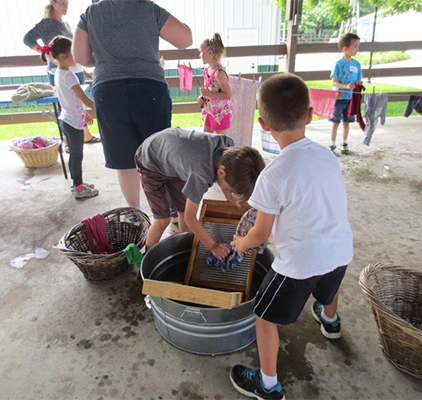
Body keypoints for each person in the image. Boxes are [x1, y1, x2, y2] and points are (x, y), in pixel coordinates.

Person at [229, 73, 353, 399]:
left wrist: (240, 243)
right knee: (329, 286)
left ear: (262, 124)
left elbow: (259, 233)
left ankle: (267, 385)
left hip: (298, 265)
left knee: (263, 315)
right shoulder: (328, 156)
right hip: (340, 251)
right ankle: (330, 321)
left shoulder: (274, 174)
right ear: (311, 115)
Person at [73, 0, 192, 211]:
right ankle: (171, 209)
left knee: (124, 160)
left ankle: (136, 213)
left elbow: (80, 56)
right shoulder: (149, 9)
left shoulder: (91, 13)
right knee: (160, 154)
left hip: (108, 93)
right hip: (149, 88)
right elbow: (185, 39)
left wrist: (101, 60)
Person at [134, 127, 265, 255]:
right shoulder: (201, 175)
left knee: (183, 208)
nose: (228, 191)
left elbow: (186, 213)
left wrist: (228, 194)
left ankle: (184, 249)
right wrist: (212, 245)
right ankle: (147, 258)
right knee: (163, 220)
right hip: (150, 160)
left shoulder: (228, 149)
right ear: (221, 172)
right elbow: (190, 218)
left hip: (175, 159)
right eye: (229, 189)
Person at [23, 0, 100, 147]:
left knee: (78, 103)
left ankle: (86, 135)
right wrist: (45, 52)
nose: (66, 7)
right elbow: (28, 38)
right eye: (63, 3)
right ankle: (67, 140)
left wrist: (82, 69)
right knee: (65, 105)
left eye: (67, 4)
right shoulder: (46, 23)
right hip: (59, 70)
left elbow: (71, 50)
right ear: (53, 3)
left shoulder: (65, 24)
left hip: (74, 68)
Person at [41, 36, 98, 199]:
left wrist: (83, 112)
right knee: (77, 156)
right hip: (72, 123)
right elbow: (85, 98)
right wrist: (101, 109)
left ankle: (77, 184)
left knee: (74, 154)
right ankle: (78, 188)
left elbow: (72, 99)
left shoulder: (59, 73)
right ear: (64, 55)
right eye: (73, 53)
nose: (76, 56)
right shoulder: (69, 76)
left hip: (67, 118)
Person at [329, 32, 363, 154]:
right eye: (355, 46)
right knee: (335, 122)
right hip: (338, 98)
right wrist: (345, 86)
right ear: (345, 48)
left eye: (358, 46)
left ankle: (344, 142)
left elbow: (359, 80)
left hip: (351, 99)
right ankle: (332, 144)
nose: (357, 49)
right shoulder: (338, 64)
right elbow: (334, 82)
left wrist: (359, 83)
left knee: (346, 122)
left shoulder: (357, 64)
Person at [198, 33, 233, 134]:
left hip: (220, 113)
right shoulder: (206, 71)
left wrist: (209, 94)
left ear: (210, 53)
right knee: (206, 137)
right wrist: (203, 97)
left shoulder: (219, 74)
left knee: (220, 141)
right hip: (210, 111)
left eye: (201, 52)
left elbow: (228, 95)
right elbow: (209, 89)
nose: (200, 55)